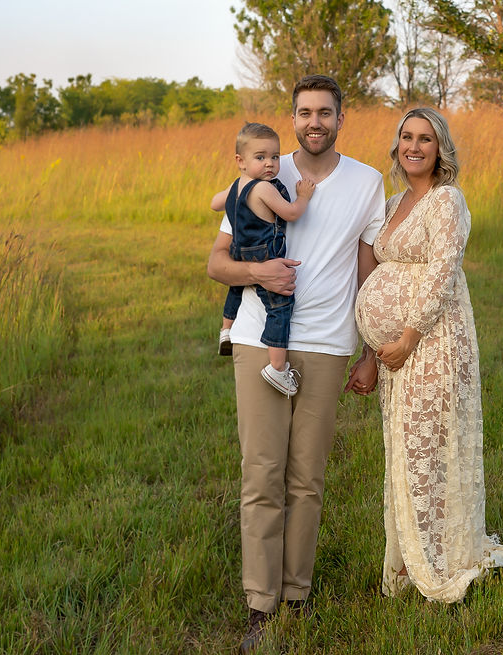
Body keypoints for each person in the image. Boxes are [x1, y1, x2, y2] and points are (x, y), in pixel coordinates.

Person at [207, 75, 384, 653]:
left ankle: (298, 593)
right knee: (261, 474)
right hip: (261, 337)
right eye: (305, 111)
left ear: (340, 118)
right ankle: (260, 603)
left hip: (328, 344)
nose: (315, 121)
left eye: (325, 112)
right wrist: (257, 273)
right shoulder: (262, 171)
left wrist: (370, 349)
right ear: (293, 118)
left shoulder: (367, 182)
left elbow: (368, 272)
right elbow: (218, 263)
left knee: (306, 479)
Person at [354, 107, 503, 602]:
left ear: (440, 148)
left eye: (426, 138)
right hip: (393, 350)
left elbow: (444, 271)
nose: (414, 146)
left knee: (429, 449)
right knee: (403, 451)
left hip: (433, 341)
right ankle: (407, 564)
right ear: (397, 144)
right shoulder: (396, 200)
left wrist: (407, 334)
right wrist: (371, 351)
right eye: (407, 137)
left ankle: (439, 565)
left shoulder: (447, 200)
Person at [213, 122, 316, 397]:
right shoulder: (264, 188)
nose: (270, 164)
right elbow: (292, 213)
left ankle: (226, 328)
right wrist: (304, 197)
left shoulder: (238, 185)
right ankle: (277, 367)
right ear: (241, 161)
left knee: (237, 285)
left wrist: (230, 195)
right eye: (260, 158)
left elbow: (214, 202)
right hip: (264, 253)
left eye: (274, 157)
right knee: (280, 306)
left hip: (240, 249)